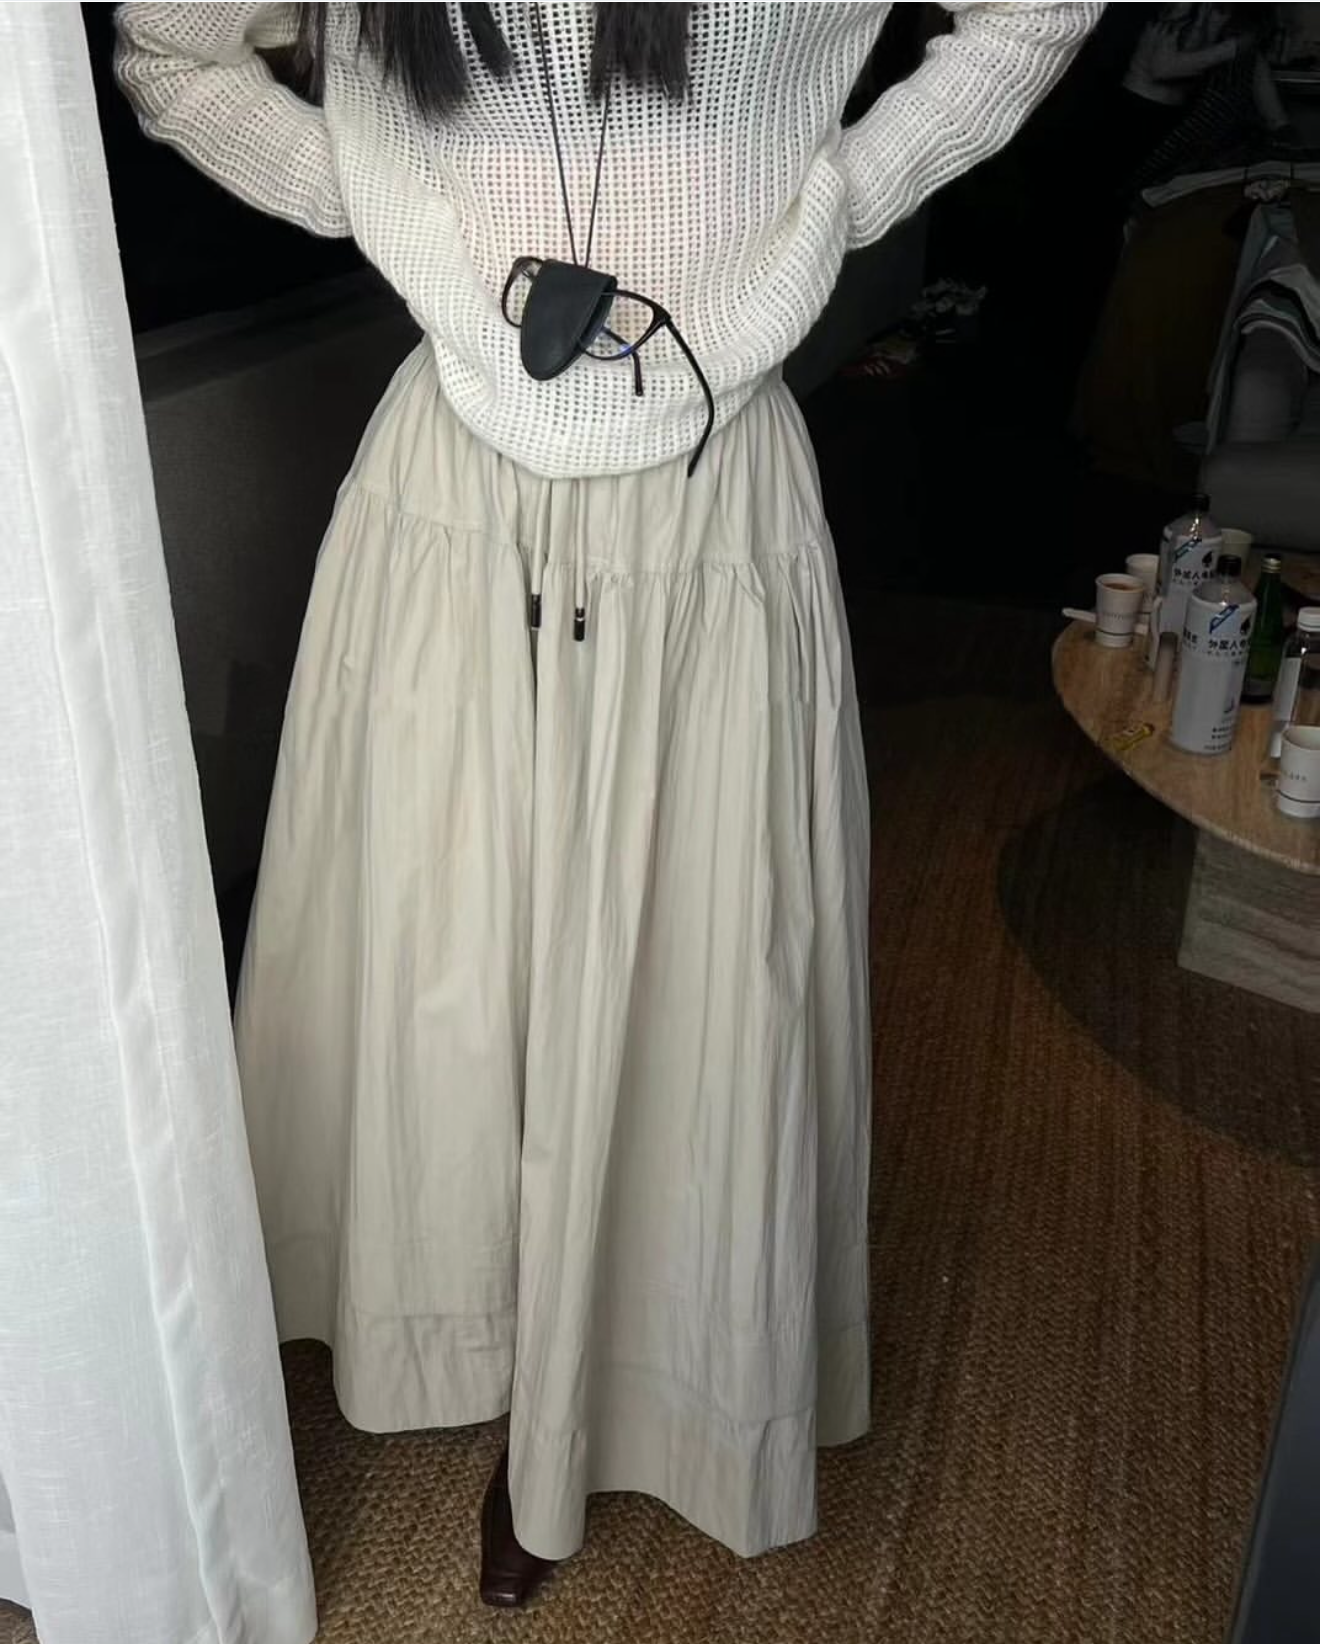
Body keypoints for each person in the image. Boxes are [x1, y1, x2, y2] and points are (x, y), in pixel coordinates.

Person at [115, 0, 1097, 1609]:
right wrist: (368, 193)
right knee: (441, 946)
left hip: (708, 492)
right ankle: (437, 1318)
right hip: (447, 489)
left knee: (686, 960)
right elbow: (171, 48)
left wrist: (847, 190)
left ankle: (587, 1407)